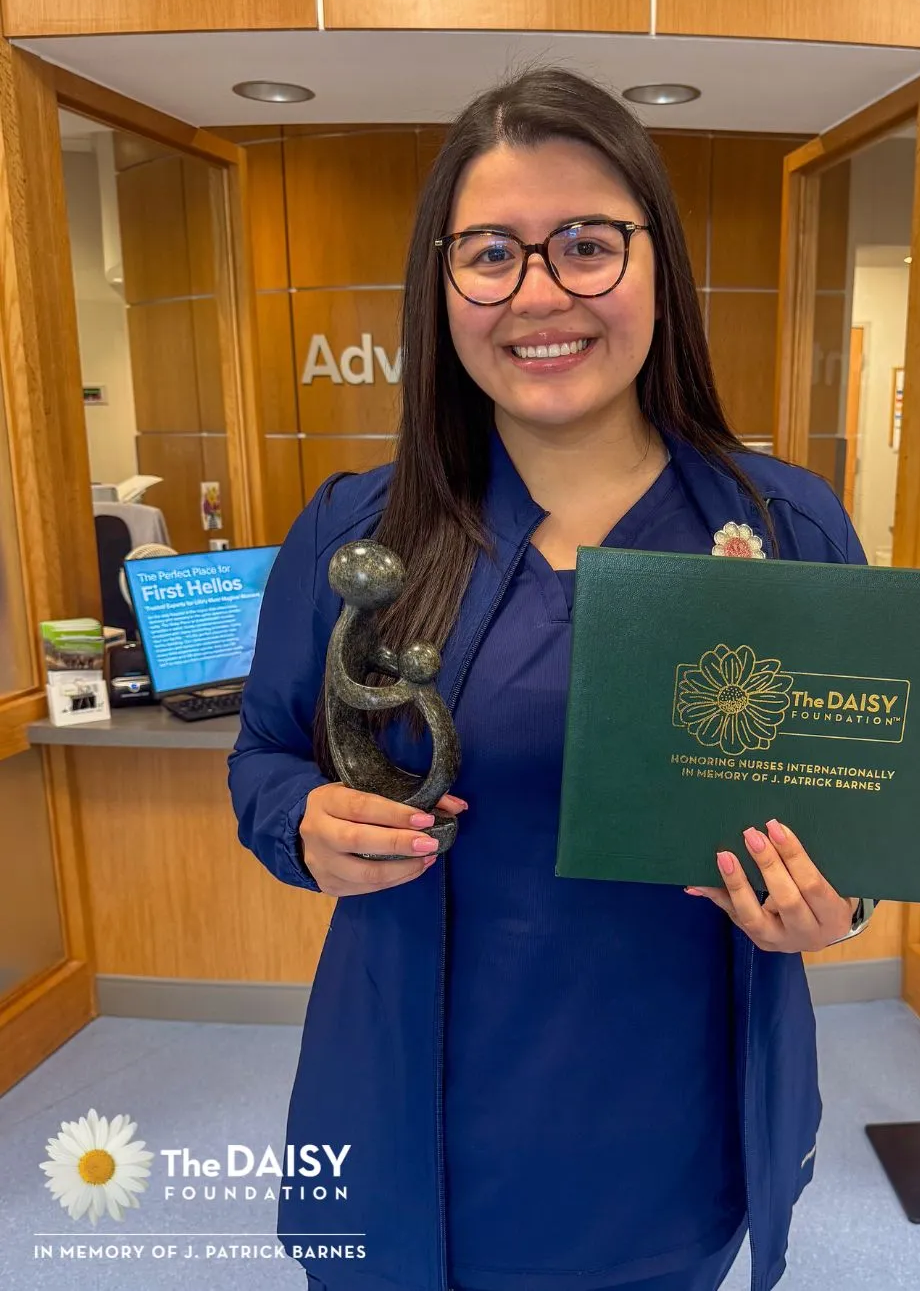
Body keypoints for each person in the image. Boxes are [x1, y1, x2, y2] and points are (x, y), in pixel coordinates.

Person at [228, 67, 874, 1291]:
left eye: (586, 244)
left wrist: (834, 909)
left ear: (656, 267)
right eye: (491, 253)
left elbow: (852, 815)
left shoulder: (780, 525)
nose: (540, 293)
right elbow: (264, 756)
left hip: (667, 1131)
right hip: (407, 1110)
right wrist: (299, 822)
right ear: (442, 283)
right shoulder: (355, 531)